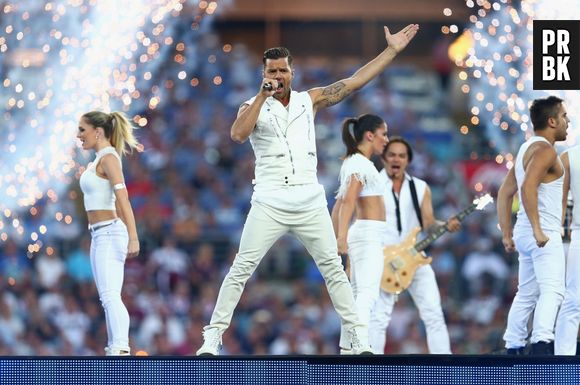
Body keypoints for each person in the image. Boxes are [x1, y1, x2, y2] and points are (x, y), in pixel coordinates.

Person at [196, 24, 420, 356]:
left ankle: (358, 337)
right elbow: (237, 135)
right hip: (270, 199)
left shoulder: (308, 101)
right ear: (264, 73)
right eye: (271, 71)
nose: (278, 75)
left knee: (333, 267)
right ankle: (212, 337)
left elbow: (354, 82)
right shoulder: (252, 106)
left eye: (282, 70)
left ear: (292, 72)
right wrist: (261, 95)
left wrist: (391, 51)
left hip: (308, 197)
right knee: (241, 267)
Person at [368, 137, 460, 354]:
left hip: (415, 257)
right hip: (384, 259)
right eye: (391, 155)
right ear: (383, 158)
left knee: (434, 314)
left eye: (401, 155)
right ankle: (371, 370)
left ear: (408, 160)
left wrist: (445, 225)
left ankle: (444, 368)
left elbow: (428, 223)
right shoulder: (372, 185)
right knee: (378, 318)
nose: (396, 159)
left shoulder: (420, 188)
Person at [497, 96, 569, 355]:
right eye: (563, 116)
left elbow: (505, 193)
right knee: (554, 290)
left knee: (527, 292)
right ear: (551, 121)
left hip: (524, 233)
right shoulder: (546, 151)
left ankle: (513, 344)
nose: (567, 121)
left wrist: (507, 232)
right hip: (542, 233)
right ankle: (541, 343)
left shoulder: (525, 149)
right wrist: (539, 229)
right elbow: (527, 188)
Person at [77, 111, 142, 356]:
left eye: (82, 129)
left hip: (109, 233)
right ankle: (115, 347)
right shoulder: (99, 159)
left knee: (110, 295)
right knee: (107, 297)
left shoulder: (108, 158)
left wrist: (133, 236)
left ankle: (121, 349)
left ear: (98, 131)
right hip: (99, 234)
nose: (78, 135)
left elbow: (124, 199)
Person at [331, 114, 388, 353]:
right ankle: (361, 344)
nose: (386, 140)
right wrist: (340, 239)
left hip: (363, 234)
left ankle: (347, 347)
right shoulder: (359, 163)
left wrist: (339, 237)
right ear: (370, 135)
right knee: (368, 293)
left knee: (356, 294)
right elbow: (348, 201)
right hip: (367, 234)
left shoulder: (355, 162)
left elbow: (339, 204)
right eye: (383, 134)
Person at [555, 144, 580, 355]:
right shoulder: (569, 157)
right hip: (579, 232)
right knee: (574, 300)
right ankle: (563, 360)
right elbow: (560, 202)